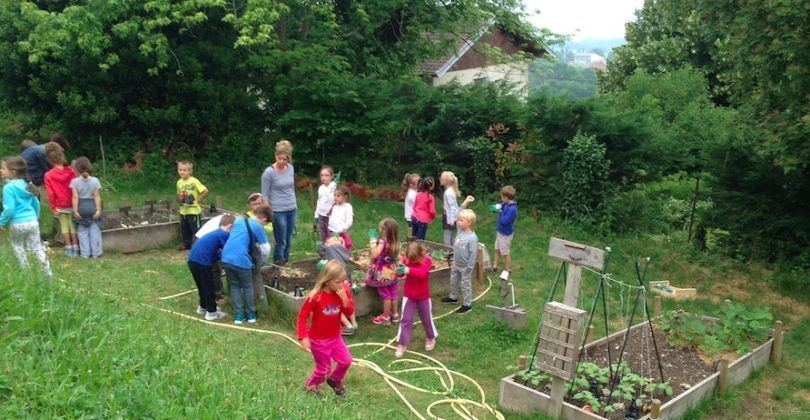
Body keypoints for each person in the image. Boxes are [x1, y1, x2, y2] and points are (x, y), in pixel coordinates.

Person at [297, 260, 354, 396]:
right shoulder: (316, 296)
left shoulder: (342, 292)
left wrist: (345, 300)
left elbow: (349, 311)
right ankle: (311, 386)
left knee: (346, 361)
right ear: (327, 280)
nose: (342, 285)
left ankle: (335, 379)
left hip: (335, 337)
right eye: (338, 282)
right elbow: (302, 316)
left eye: (343, 281)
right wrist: (303, 336)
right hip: (319, 341)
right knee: (323, 369)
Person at [0, 156, 52, 278]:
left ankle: (26, 274)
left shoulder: (8, 188)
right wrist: (35, 218)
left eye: (3, 168)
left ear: (13, 171)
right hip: (32, 221)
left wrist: (1, 222)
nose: (0, 170)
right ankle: (48, 273)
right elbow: (36, 204)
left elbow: (9, 210)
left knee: (18, 247)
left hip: (18, 223)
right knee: (37, 248)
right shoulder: (28, 184)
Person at [220, 205, 272, 324]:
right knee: (247, 286)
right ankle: (251, 314)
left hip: (226, 257)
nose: (265, 225)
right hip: (241, 259)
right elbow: (266, 249)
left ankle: (238, 315)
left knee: (235, 286)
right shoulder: (258, 227)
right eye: (267, 223)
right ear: (264, 219)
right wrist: (262, 260)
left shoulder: (239, 221)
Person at [394, 241, 437, 358]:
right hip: (409, 296)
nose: (411, 262)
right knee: (406, 319)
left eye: (414, 260)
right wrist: (399, 271)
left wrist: (409, 270)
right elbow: (401, 271)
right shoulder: (406, 260)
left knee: (426, 318)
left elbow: (422, 273)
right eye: (409, 260)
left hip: (423, 296)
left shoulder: (427, 261)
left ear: (420, 255)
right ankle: (402, 343)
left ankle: (430, 337)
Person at [189, 214, 235, 321]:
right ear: (230, 227)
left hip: (193, 259)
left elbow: (215, 251)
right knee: (208, 287)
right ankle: (212, 313)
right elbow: (228, 249)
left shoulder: (215, 233)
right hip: (203, 262)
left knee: (202, 286)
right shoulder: (224, 235)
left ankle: (203, 306)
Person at [261, 140, 297, 264]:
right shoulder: (269, 172)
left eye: (285, 159)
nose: (282, 161)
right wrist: (268, 211)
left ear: (289, 159)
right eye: (279, 158)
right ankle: (278, 263)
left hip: (291, 208)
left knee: (288, 238)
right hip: (278, 210)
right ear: (275, 155)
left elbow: (291, 188)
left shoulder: (290, 168)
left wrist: (294, 203)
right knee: (281, 240)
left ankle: (286, 262)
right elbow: (265, 194)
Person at [316, 236, 358, 336]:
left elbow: (319, 247)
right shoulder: (343, 253)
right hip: (346, 283)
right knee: (349, 302)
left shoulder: (330, 252)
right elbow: (347, 272)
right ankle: (354, 323)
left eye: (329, 240)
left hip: (336, 284)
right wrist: (353, 284)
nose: (327, 240)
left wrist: (326, 246)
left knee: (335, 306)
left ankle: (348, 326)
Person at [43, 142, 78, 256]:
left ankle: (68, 248)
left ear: (49, 160)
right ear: (62, 156)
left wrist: (53, 207)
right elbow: (76, 188)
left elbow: (50, 193)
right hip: (72, 203)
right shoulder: (71, 172)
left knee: (64, 225)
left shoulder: (48, 175)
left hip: (60, 205)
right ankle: (76, 246)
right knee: (72, 225)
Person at [441, 208, 478, 314]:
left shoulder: (472, 238)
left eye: (461, 220)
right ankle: (453, 297)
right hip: (456, 264)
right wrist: (465, 202)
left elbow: (473, 254)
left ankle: (467, 305)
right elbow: (458, 211)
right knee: (453, 281)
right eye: (459, 220)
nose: (458, 222)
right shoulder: (460, 231)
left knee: (465, 285)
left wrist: (469, 267)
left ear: (469, 223)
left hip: (465, 266)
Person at [366, 218, 401, 325]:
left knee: (386, 295)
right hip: (392, 270)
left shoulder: (383, 241)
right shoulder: (395, 241)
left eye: (381, 229)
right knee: (393, 293)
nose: (380, 230)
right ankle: (395, 315)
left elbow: (375, 254)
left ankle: (385, 317)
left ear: (385, 230)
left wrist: (372, 240)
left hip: (383, 273)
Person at [70, 157, 103, 258]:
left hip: (81, 208)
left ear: (77, 169)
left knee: (82, 232)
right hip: (92, 207)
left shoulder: (74, 182)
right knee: (94, 231)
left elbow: (75, 197)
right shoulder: (95, 181)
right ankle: (96, 253)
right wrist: (98, 210)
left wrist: (75, 211)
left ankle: (85, 254)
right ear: (89, 167)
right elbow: (97, 196)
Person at [176, 160, 208, 251]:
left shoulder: (194, 181)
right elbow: (179, 194)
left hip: (193, 211)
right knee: (185, 228)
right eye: (180, 170)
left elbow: (205, 191)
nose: (182, 172)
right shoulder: (179, 182)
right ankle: (186, 244)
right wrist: (180, 202)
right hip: (184, 210)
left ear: (190, 171)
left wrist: (199, 199)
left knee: (196, 229)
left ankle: (197, 245)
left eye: (185, 170)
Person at [488, 185, 518, 274]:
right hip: (500, 231)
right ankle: (495, 266)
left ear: (506, 197)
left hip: (506, 234)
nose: (501, 199)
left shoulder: (513, 209)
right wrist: (496, 207)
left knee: (505, 252)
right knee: (497, 249)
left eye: (502, 197)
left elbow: (504, 221)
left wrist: (500, 212)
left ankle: (508, 269)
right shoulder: (505, 204)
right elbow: (500, 206)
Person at [314, 166, 338, 242]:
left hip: (331, 216)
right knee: (323, 234)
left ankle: (332, 250)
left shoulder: (334, 187)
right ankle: (324, 250)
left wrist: (333, 185)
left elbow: (332, 198)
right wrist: (316, 215)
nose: (324, 177)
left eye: (327, 175)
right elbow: (319, 201)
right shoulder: (321, 188)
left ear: (332, 176)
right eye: (322, 175)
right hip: (321, 215)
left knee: (331, 235)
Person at [327, 185, 353, 250]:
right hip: (331, 230)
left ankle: (342, 258)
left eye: (338, 196)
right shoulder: (335, 207)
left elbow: (349, 221)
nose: (335, 197)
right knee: (330, 246)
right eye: (334, 195)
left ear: (345, 197)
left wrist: (340, 230)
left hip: (340, 232)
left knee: (341, 247)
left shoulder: (347, 207)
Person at [440, 171, 461, 246]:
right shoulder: (450, 190)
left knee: (447, 237)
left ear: (446, 181)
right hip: (449, 216)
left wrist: (451, 220)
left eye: (441, 178)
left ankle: (448, 251)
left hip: (449, 218)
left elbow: (452, 207)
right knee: (449, 236)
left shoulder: (448, 192)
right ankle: (452, 249)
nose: (440, 179)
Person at [401, 173, 419, 238]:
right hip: (411, 216)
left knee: (412, 231)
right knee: (412, 232)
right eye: (418, 182)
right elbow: (417, 204)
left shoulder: (414, 191)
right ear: (411, 185)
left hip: (412, 216)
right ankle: (410, 242)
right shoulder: (412, 193)